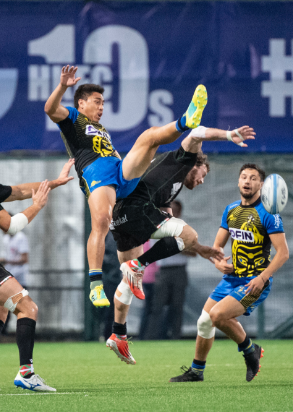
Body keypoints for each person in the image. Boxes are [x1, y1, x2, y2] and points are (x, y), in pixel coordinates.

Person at [45, 65, 208, 307]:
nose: (102, 107)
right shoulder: (73, 117)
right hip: (97, 172)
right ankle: (96, 285)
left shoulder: (101, 129)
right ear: (81, 103)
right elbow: (50, 109)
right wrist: (62, 86)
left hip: (119, 170)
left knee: (149, 138)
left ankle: (186, 120)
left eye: (103, 103)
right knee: (102, 222)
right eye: (97, 102)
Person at [106, 125, 254, 364]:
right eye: (203, 174)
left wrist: (200, 249)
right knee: (186, 236)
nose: (202, 180)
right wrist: (228, 135)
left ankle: (118, 334)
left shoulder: (171, 191)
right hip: (136, 207)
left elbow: (172, 232)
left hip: (120, 217)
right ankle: (138, 264)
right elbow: (197, 132)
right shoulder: (182, 160)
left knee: (128, 280)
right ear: (195, 164)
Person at [0, 140, 74, 392]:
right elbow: (11, 226)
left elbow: (19, 191)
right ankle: (26, 373)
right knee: (28, 307)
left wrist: (55, 182)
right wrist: (37, 206)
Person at [170, 163, 289, 383]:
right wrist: (218, 264)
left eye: (253, 178)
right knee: (204, 322)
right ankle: (197, 371)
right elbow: (217, 248)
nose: (247, 181)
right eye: (244, 177)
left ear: (261, 185)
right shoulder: (231, 210)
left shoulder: (269, 214)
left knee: (217, 315)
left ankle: (250, 351)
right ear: (238, 181)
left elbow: (283, 253)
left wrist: (262, 278)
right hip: (231, 279)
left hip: (255, 282)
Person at [144, 200, 195, 340]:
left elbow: (194, 251)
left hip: (179, 270)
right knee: (157, 306)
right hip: (163, 271)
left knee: (177, 306)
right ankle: (151, 337)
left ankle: (175, 336)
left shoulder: (186, 228)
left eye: (176, 211)